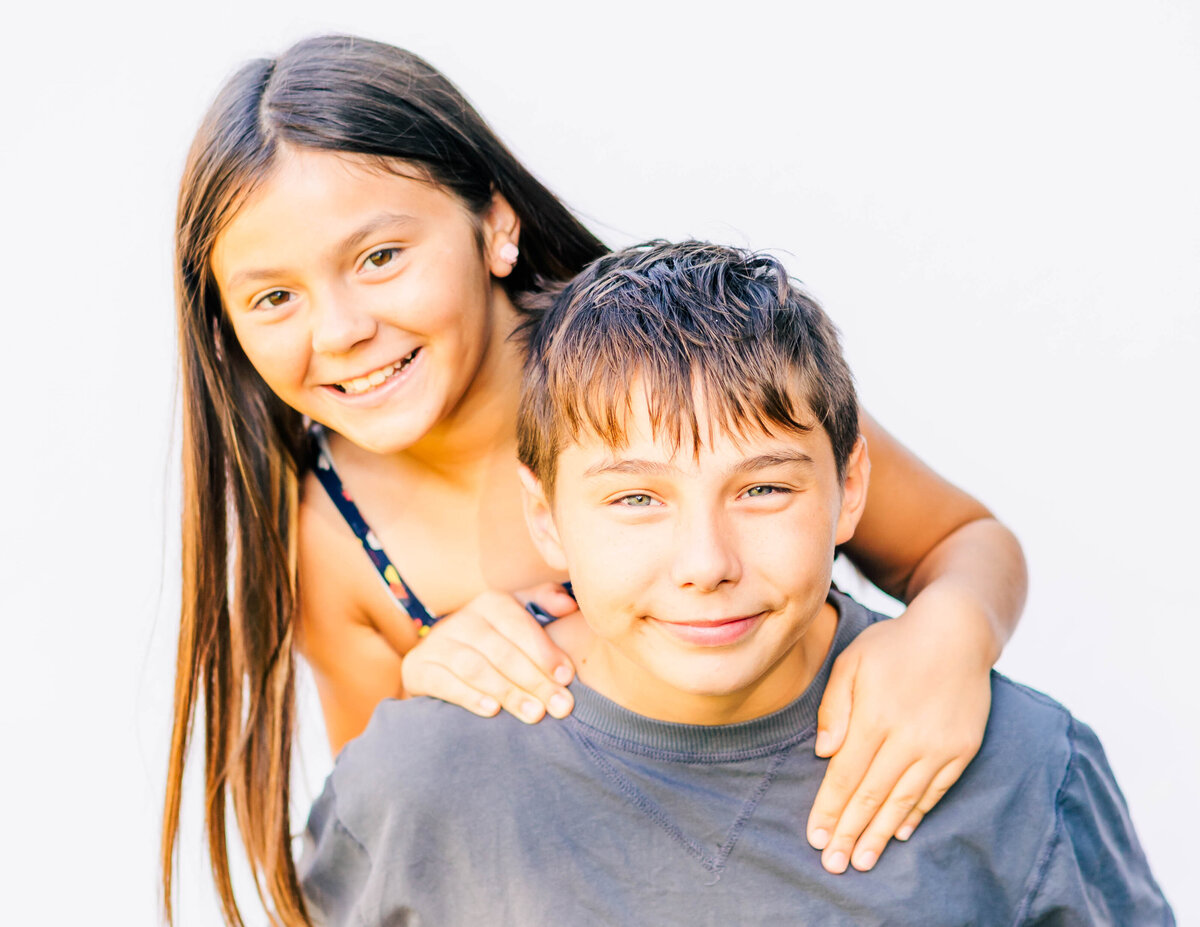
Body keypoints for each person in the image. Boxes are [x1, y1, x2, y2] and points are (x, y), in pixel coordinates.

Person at [163, 35, 1027, 927]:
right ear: (224, 322)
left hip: (814, 848)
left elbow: (964, 541)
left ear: (495, 226)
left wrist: (951, 633)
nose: (341, 329)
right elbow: (400, 841)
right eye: (275, 297)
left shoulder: (663, 369)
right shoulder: (333, 539)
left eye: (380, 256)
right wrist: (429, 678)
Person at [300, 241, 1173, 926]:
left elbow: (967, 543)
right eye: (637, 498)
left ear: (850, 490)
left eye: (762, 489)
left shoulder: (1021, 764)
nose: (706, 561)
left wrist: (959, 622)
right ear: (545, 517)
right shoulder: (418, 780)